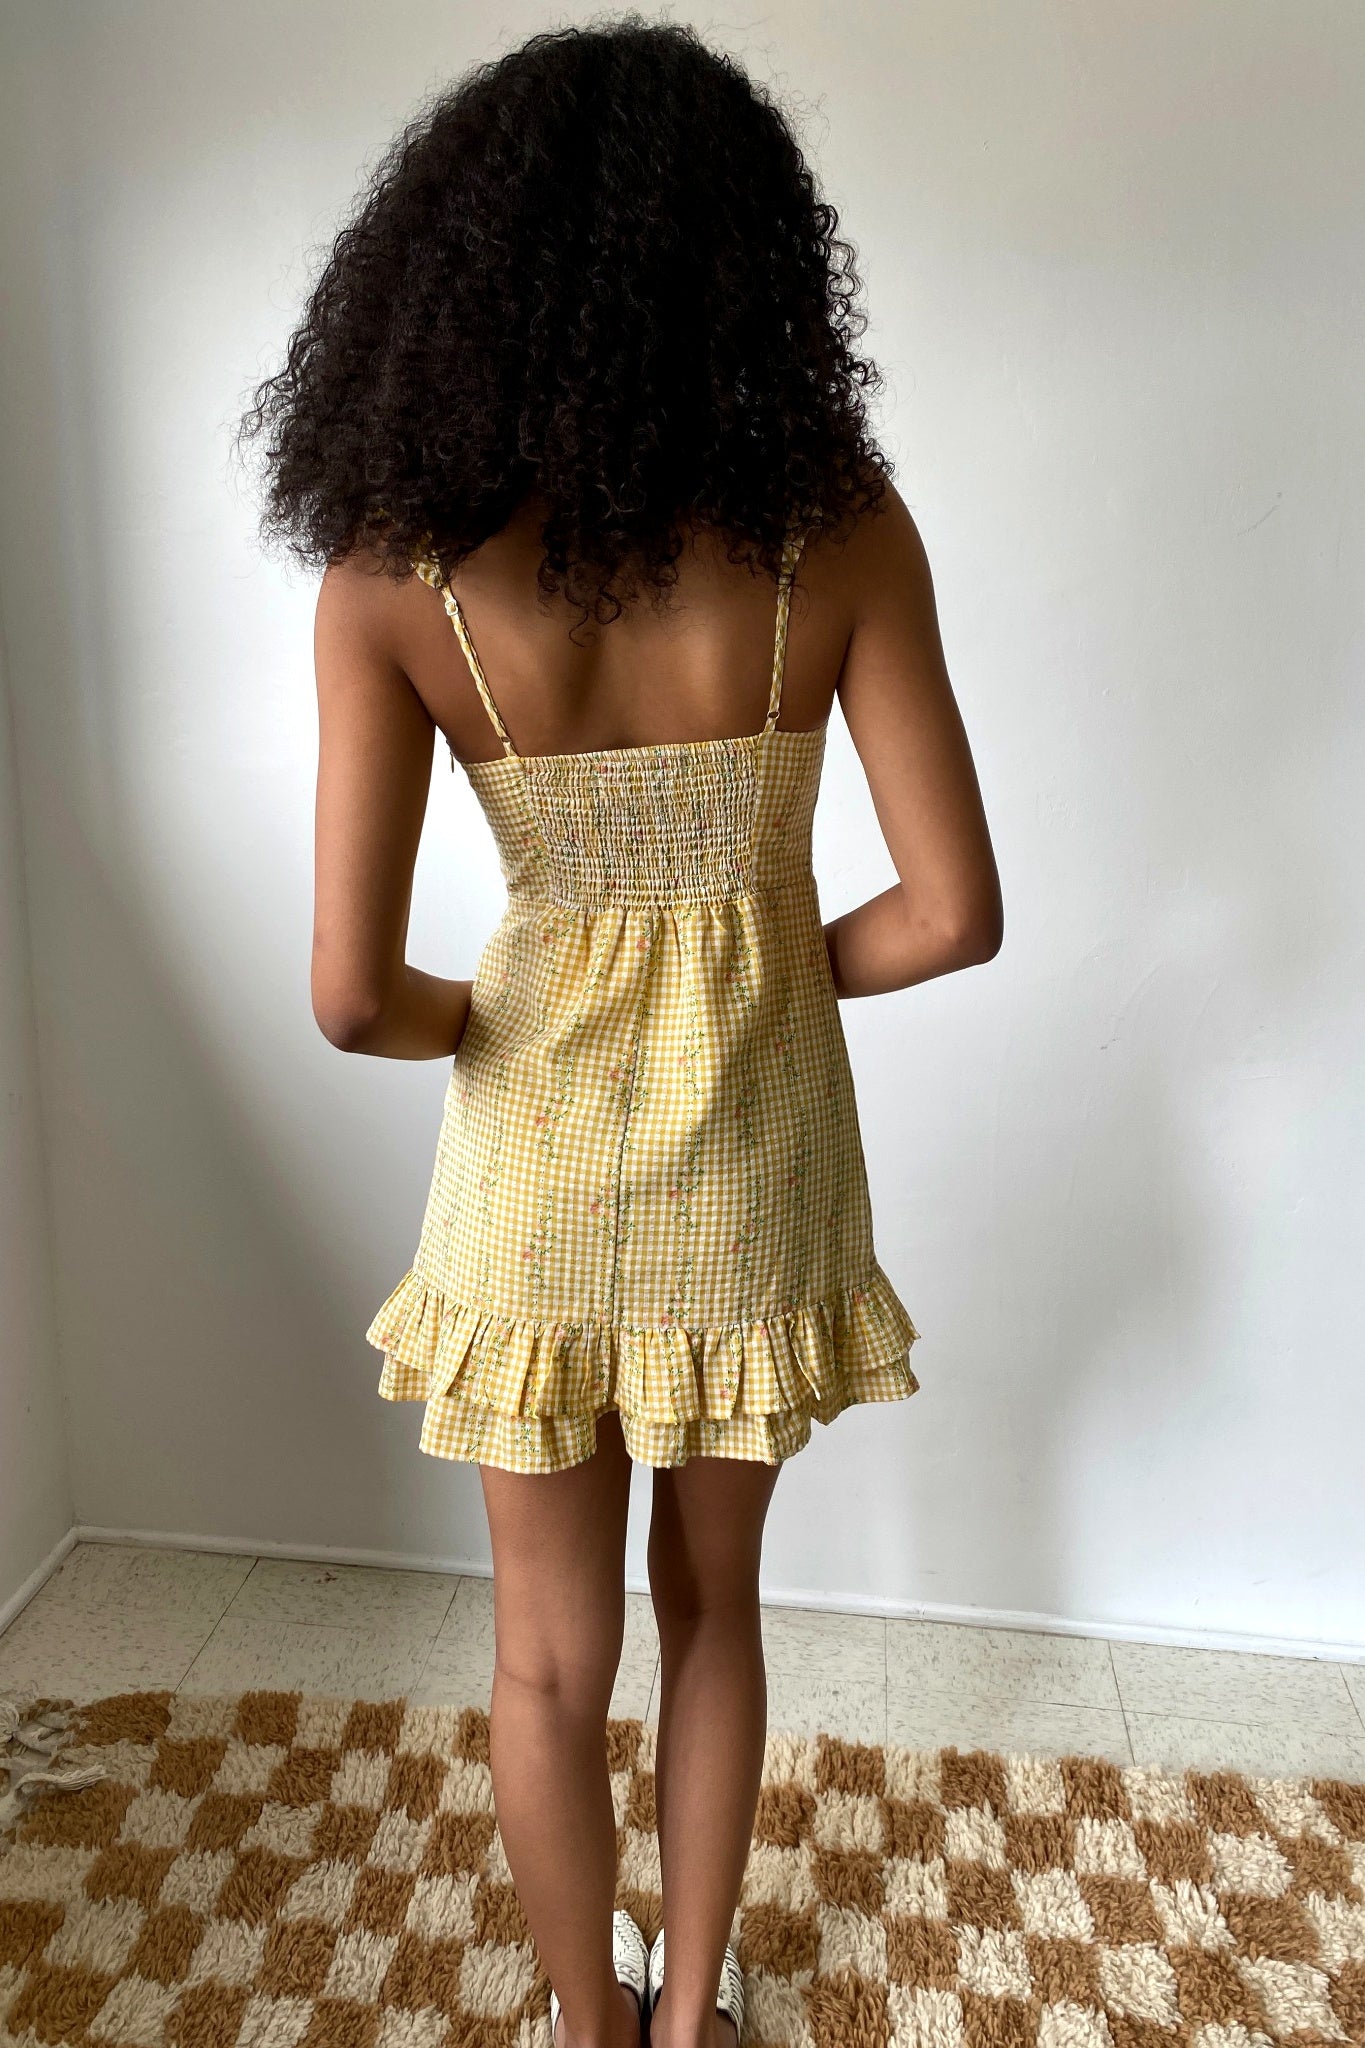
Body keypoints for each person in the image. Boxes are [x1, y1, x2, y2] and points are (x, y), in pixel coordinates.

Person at [238, 18, 1002, 2046]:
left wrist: (496, 1007)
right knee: (714, 1610)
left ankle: (586, 2023)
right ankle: (690, 2030)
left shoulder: (393, 577)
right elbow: (947, 912)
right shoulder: (834, 532)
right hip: (750, 1167)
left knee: (546, 1658)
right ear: (748, 269)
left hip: (531, 1183)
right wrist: (745, 965)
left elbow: (346, 995)